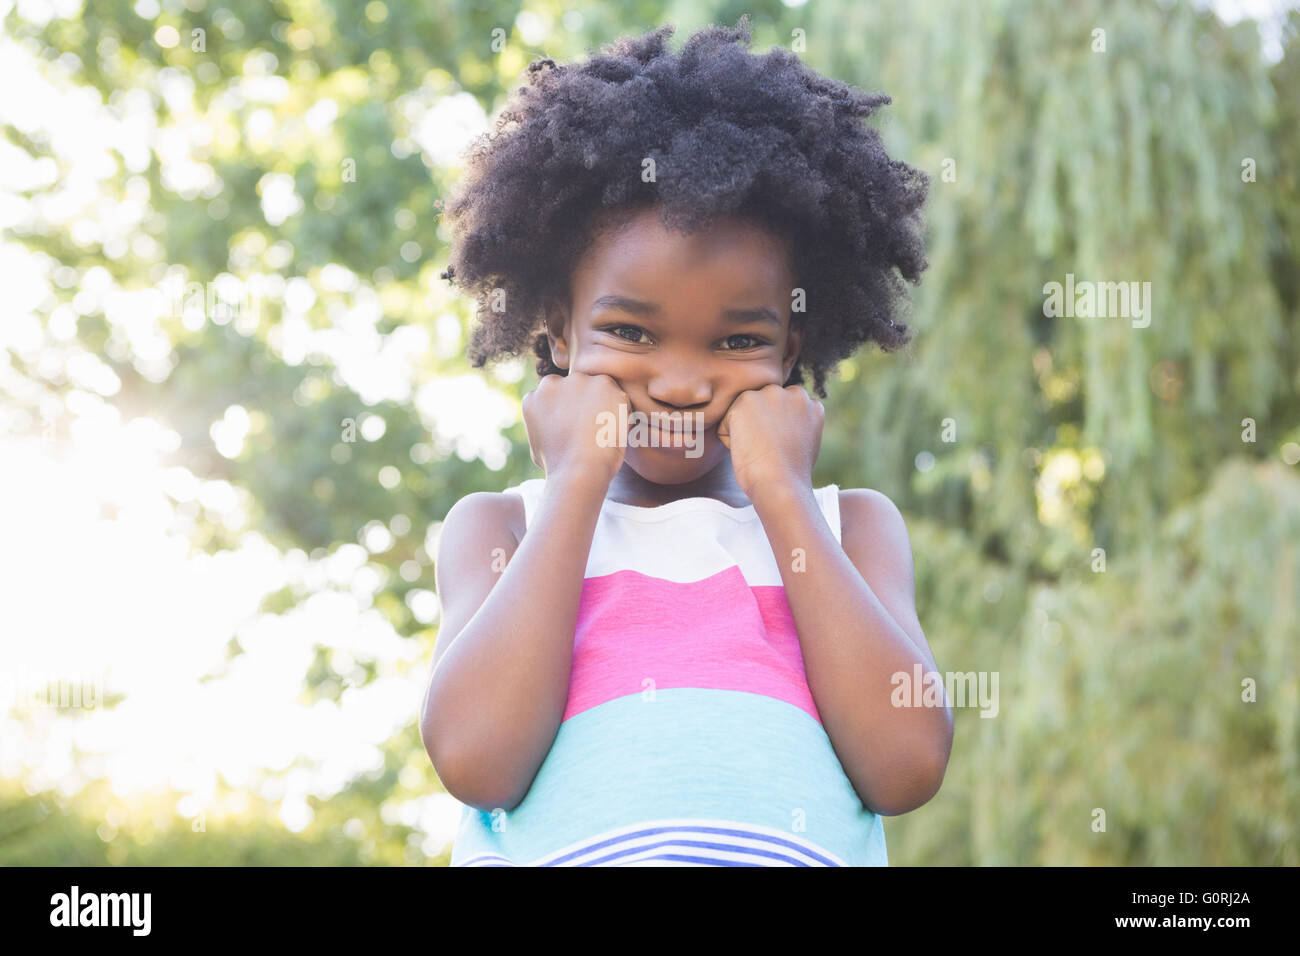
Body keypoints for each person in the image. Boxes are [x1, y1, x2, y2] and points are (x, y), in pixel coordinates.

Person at [421, 15, 952, 866]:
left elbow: (906, 765)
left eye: (738, 341)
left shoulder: (850, 530)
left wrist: (781, 493)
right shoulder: (503, 530)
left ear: (793, 350)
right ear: (557, 334)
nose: (679, 381)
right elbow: (479, 759)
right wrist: (574, 483)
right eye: (631, 332)